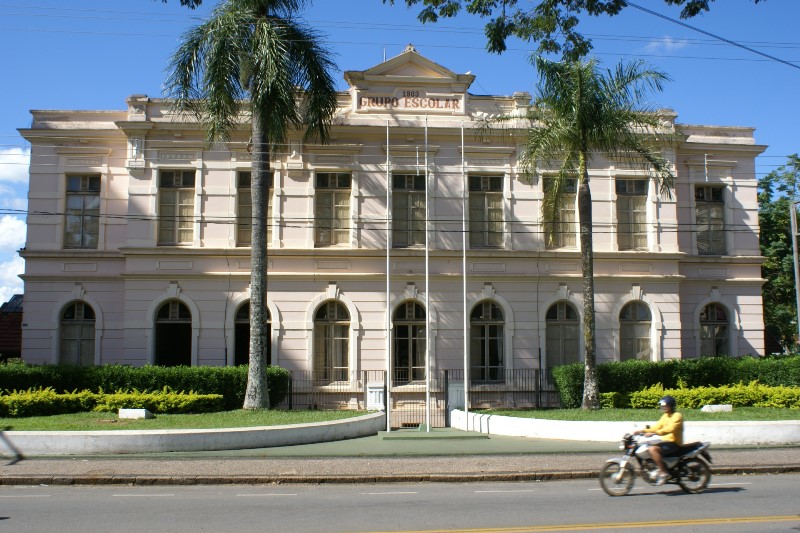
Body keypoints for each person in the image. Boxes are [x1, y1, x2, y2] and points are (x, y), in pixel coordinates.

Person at [634, 395, 683, 486]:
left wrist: (655, 433)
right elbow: (656, 427)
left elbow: (670, 429)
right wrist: (641, 431)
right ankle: (656, 467)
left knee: (653, 449)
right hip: (666, 442)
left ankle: (664, 473)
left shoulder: (677, 416)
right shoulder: (665, 416)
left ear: (671, 406)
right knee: (647, 445)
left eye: (665, 405)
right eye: (662, 406)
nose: (663, 407)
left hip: (674, 443)